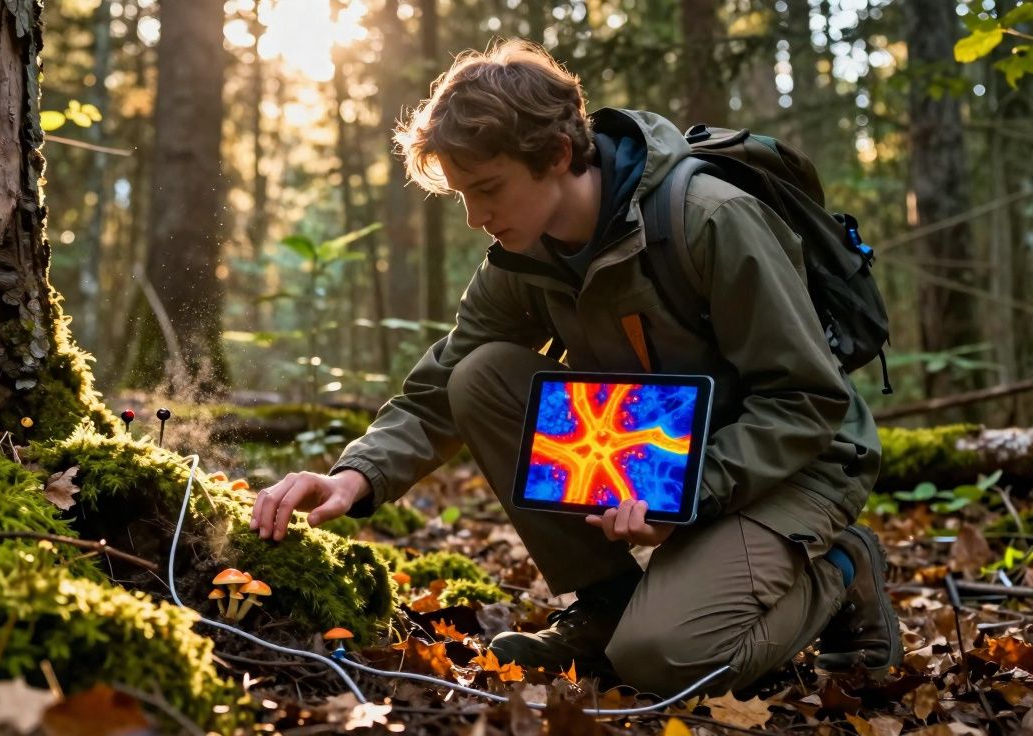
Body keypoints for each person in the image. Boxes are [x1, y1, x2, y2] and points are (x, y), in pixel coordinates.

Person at [248, 39, 901, 696]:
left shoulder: (710, 218)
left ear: (557, 156)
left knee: (660, 659)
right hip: (658, 457)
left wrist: (689, 492)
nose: (476, 218)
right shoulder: (522, 257)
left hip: (794, 464)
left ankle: (844, 566)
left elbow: (807, 400)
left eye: (488, 189)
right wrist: (356, 476)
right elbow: (442, 388)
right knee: (481, 374)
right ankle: (607, 602)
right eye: (462, 197)